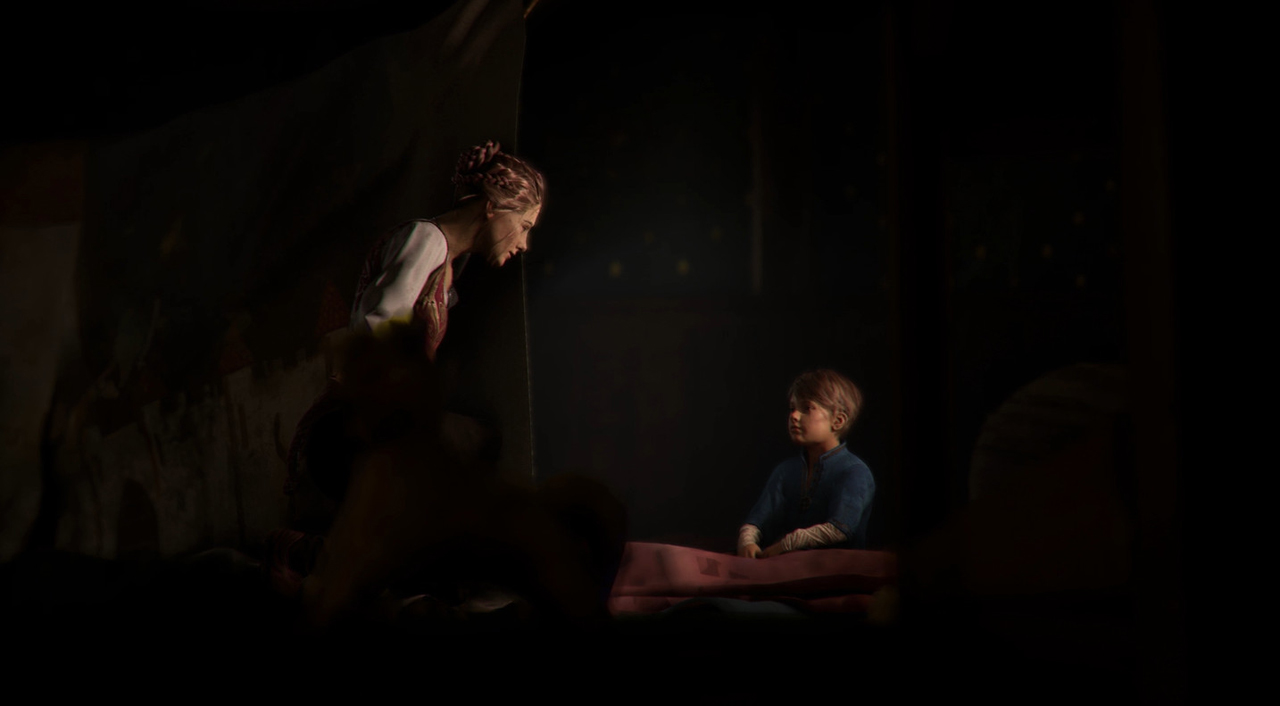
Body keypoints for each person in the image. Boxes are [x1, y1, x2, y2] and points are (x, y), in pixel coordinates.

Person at [265, 140, 545, 597]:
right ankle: (303, 554)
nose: (524, 243)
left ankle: (314, 555)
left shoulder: (446, 261)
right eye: (525, 225)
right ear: (492, 208)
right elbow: (376, 333)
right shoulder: (425, 240)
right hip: (353, 429)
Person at [737, 369, 876, 558]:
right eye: (792, 408)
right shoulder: (786, 471)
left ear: (838, 421)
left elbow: (840, 529)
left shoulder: (854, 471)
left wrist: (787, 544)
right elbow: (757, 520)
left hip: (836, 568)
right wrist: (747, 541)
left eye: (807, 408)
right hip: (783, 565)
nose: (794, 415)